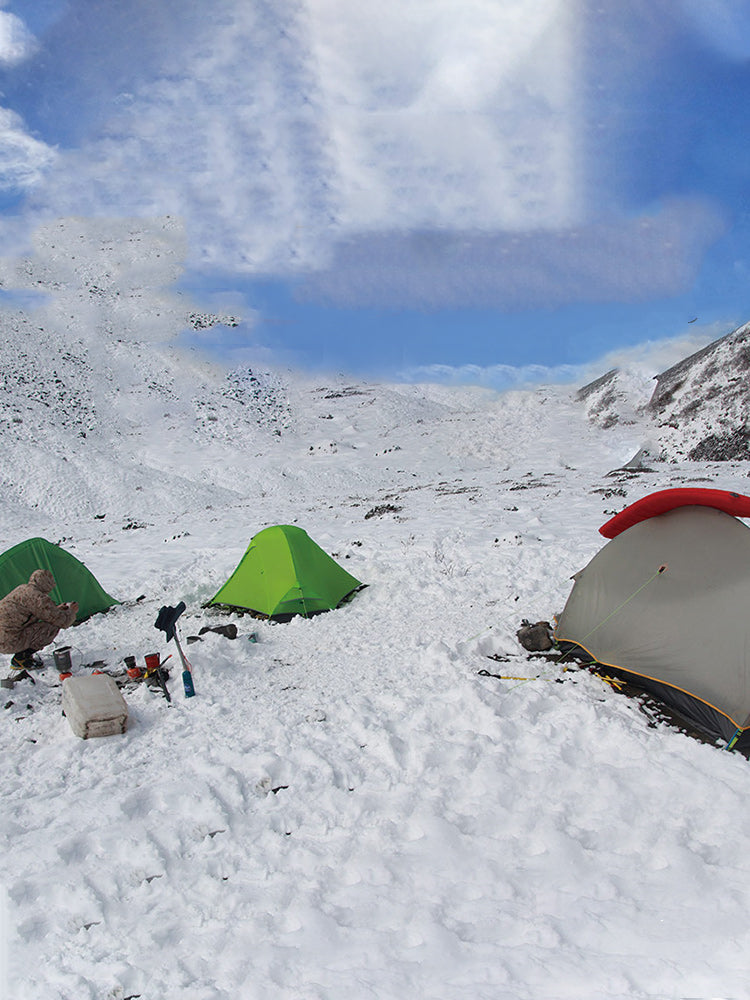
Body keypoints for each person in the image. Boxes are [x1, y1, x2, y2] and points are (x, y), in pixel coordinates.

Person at [0, 569, 78, 670]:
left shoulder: (23, 589)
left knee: (48, 621)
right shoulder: (37, 597)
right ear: (46, 583)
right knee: (51, 627)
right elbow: (62, 621)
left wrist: (57, 609)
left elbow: (33, 613)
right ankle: (21, 658)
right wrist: (71, 611)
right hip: (8, 642)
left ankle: (21, 656)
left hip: (5, 637)